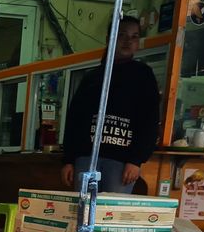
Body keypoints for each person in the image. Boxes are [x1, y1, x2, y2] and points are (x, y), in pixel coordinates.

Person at [61, 15, 159, 194]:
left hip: (121, 162)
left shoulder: (143, 76)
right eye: (121, 35)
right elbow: (74, 120)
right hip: (86, 158)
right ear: (109, 39)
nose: (128, 41)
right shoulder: (93, 78)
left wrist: (136, 160)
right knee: (82, 215)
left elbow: (150, 121)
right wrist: (69, 160)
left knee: (110, 216)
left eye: (134, 36)